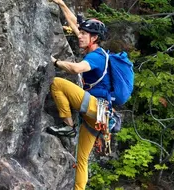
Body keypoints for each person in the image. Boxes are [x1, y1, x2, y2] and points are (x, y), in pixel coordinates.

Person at [46, 0, 111, 189]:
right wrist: (62, 4)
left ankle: (69, 127)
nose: (79, 36)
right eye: (81, 33)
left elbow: (75, 69)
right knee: (81, 159)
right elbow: (76, 24)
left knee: (57, 83)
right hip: (100, 116)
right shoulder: (94, 48)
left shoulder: (96, 57)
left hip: (98, 109)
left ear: (94, 38)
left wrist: (54, 61)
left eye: (84, 35)